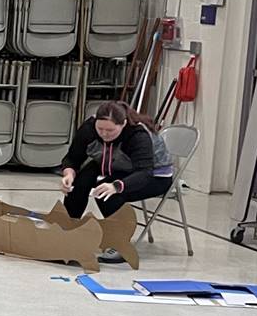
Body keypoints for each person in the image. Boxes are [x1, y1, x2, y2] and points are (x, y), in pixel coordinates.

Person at [59, 101, 173, 262]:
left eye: (110, 131)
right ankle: (68, 227)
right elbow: (72, 158)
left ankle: (119, 244)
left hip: (154, 176)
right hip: (115, 164)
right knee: (79, 182)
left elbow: (144, 172)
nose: (104, 134)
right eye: (100, 129)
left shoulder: (137, 135)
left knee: (106, 194)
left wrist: (116, 186)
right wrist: (68, 174)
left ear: (123, 124)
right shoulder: (89, 128)